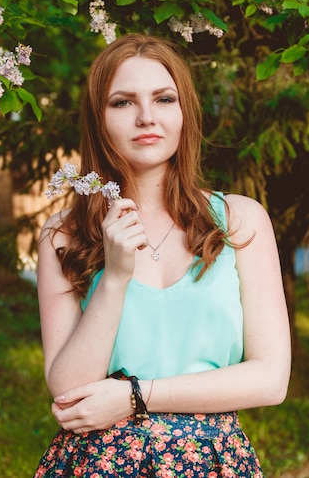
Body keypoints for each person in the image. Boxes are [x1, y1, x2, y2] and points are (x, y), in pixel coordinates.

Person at [33, 33, 291, 477]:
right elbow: (69, 390)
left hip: (212, 463)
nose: (146, 117)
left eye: (164, 98)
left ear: (184, 112)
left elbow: (271, 378)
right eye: (123, 102)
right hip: (100, 464)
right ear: (99, 118)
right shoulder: (64, 235)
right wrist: (114, 276)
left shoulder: (239, 221)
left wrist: (136, 396)